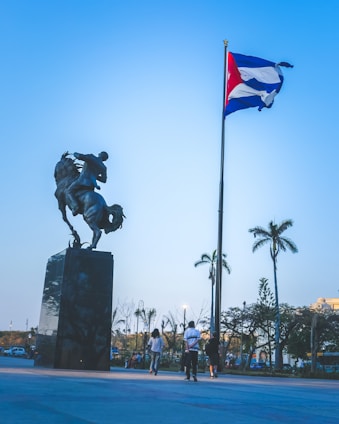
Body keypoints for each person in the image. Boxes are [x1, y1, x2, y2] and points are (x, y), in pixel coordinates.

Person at [66, 151, 109, 216]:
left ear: (99, 154)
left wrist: (75, 154)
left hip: (82, 181)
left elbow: (80, 156)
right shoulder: (103, 167)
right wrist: (95, 176)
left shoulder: (92, 157)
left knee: (69, 191)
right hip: (91, 185)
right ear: (105, 159)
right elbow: (104, 180)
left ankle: (75, 206)